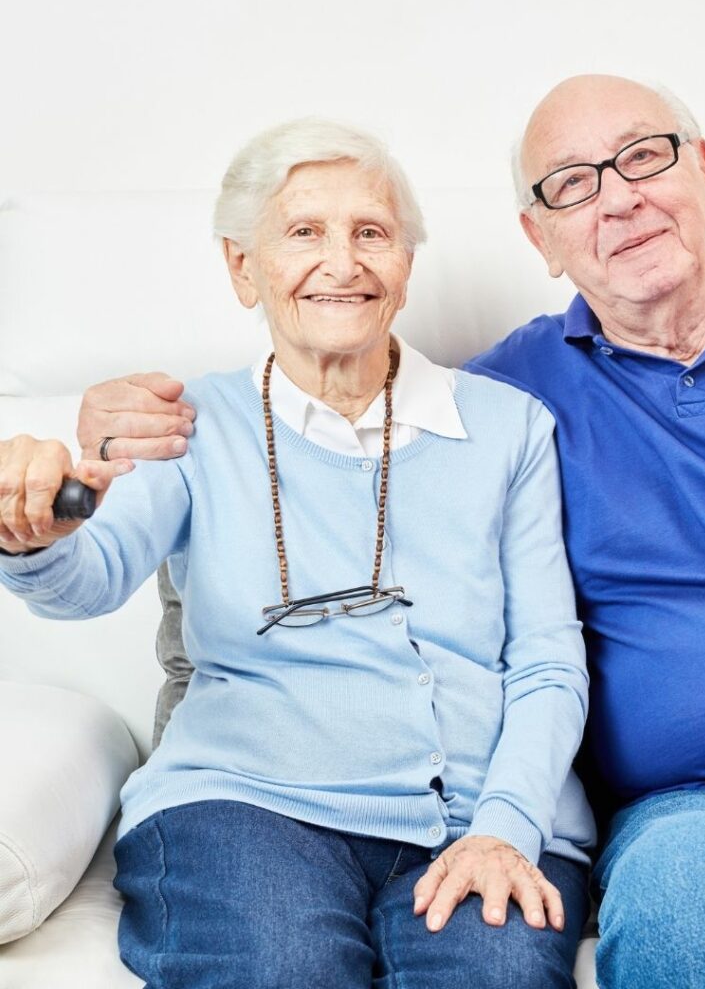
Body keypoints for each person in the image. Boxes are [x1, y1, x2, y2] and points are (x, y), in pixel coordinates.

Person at [71, 75, 705, 989]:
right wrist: (106, 436)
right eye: (572, 184)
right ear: (541, 237)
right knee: (692, 917)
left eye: (644, 157)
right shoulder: (508, 400)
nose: (620, 199)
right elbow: (329, 413)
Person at [0, 118, 595, 989]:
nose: (342, 263)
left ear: (406, 265)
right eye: (304, 232)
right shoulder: (187, 423)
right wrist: (31, 537)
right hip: (245, 804)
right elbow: (89, 579)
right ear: (244, 267)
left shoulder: (511, 429)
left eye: (372, 233)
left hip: (472, 814)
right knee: (282, 970)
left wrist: (504, 825)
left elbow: (547, 660)